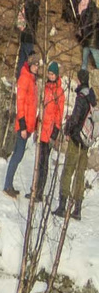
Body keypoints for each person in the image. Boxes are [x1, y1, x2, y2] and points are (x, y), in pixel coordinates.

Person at [4, 49, 42, 197]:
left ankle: (9, 184)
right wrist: (24, 126)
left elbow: (33, 105)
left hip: (29, 125)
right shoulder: (25, 79)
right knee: (17, 155)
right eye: (35, 65)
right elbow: (20, 104)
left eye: (38, 66)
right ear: (30, 64)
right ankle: (7, 185)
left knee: (19, 155)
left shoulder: (32, 80)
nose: (37, 68)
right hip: (23, 125)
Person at [61, 71, 95, 221]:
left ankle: (62, 206)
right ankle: (78, 209)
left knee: (68, 170)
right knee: (80, 174)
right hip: (86, 141)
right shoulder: (92, 98)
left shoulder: (81, 97)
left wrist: (67, 129)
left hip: (76, 139)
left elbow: (75, 117)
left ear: (79, 80)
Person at [33, 62, 68, 200]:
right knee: (38, 161)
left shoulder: (59, 92)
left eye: (52, 74)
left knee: (43, 163)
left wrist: (56, 131)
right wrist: (37, 125)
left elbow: (59, 114)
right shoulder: (46, 88)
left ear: (56, 75)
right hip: (42, 128)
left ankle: (40, 192)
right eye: (49, 73)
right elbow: (41, 109)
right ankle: (35, 189)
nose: (50, 75)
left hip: (49, 131)